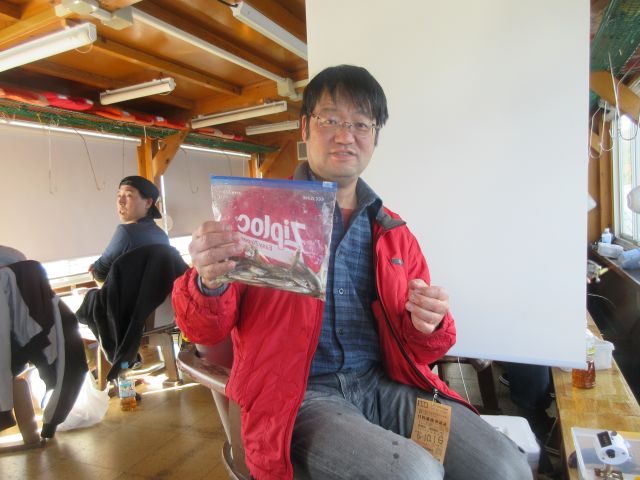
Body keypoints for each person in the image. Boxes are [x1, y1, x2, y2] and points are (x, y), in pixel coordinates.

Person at [173, 65, 532, 480]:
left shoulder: (393, 232)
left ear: (375, 138)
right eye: (330, 120)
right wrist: (207, 281)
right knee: (413, 475)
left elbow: (423, 351)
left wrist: (430, 323)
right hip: (299, 398)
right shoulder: (256, 216)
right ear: (305, 127)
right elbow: (201, 328)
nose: (346, 136)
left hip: (385, 385)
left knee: (507, 467)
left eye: (361, 124)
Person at [89, 175, 169, 282]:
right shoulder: (162, 235)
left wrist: (94, 269)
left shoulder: (126, 232)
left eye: (128, 195)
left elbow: (100, 273)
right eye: (119, 195)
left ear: (148, 203)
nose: (120, 201)